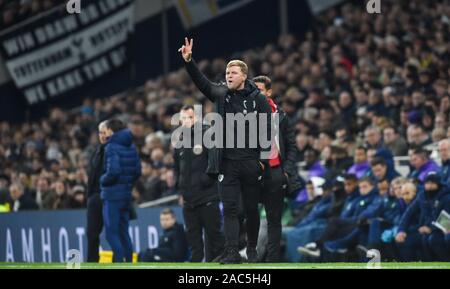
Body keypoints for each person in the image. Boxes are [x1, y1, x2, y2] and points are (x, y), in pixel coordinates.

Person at [179, 37, 273, 264]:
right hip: (227, 163)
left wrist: (264, 162)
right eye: (227, 73)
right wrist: (189, 61)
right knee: (230, 209)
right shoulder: (221, 94)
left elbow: (269, 130)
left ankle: (251, 250)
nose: (228, 75)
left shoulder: (258, 99)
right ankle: (232, 252)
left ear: (244, 76)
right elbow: (202, 83)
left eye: (233, 73)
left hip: (251, 161)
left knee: (251, 209)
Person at [253, 75, 298, 262]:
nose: (256, 95)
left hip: (275, 171)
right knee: (242, 213)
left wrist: (285, 171)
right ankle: (248, 255)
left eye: (260, 91)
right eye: (253, 91)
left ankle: (272, 260)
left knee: (273, 218)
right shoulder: (244, 114)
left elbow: (291, 145)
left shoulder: (280, 115)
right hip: (252, 172)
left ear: (269, 92)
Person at [173, 105, 224, 262]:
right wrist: (180, 189)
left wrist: (206, 181)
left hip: (207, 195)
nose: (185, 121)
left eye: (189, 117)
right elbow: (176, 168)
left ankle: (221, 260)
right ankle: (196, 261)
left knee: (213, 233)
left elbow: (216, 162)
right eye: (182, 118)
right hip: (188, 198)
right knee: (192, 234)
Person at [101, 119, 141, 263]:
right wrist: (127, 183)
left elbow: (114, 171)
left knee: (111, 233)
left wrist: (102, 180)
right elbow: (137, 172)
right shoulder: (132, 146)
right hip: (126, 195)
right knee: (124, 232)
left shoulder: (111, 146)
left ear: (111, 130)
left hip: (112, 195)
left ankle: (118, 263)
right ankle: (129, 263)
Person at [396, 172, 450, 261]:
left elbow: (446, 218)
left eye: (432, 183)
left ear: (438, 184)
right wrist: (401, 230)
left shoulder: (446, 197)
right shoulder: (422, 196)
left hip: (441, 230)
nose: (429, 186)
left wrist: (431, 228)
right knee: (405, 240)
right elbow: (408, 213)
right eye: (427, 183)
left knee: (432, 239)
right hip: (425, 229)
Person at [86, 121, 107, 262]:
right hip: (94, 197)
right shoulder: (97, 150)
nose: (103, 135)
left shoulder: (115, 150)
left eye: (105, 132)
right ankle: (92, 262)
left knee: (114, 233)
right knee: (92, 233)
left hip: (108, 196)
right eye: (100, 132)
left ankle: (121, 261)